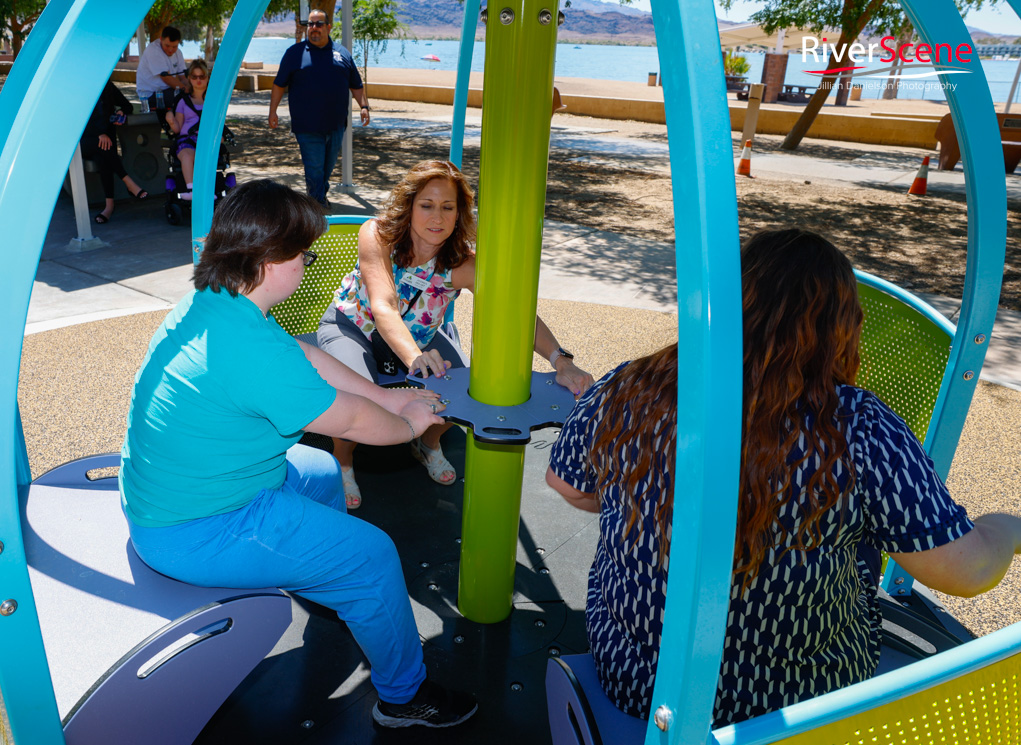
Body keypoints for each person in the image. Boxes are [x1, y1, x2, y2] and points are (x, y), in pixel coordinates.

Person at [546, 228, 1021, 726]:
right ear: (841, 328)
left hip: (636, 677)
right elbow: (967, 572)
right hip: (793, 702)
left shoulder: (634, 384)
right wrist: (1007, 528)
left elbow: (567, 482)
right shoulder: (857, 427)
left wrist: (640, 499)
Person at [119, 179, 477, 729]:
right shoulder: (248, 351)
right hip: (200, 526)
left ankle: (336, 584)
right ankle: (404, 697)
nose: (309, 263)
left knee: (318, 467)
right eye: (302, 253)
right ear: (267, 258)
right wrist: (406, 422)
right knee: (373, 554)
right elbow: (352, 421)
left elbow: (305, 355)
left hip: (183, 496)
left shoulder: (218, 304)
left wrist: (385, 394)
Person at [318, 160, 595, 508]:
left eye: (448, 208)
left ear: (460, 214)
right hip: (355, 328)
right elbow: (383, 306)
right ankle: (343, 462)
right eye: (427, 205)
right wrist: (415, 358)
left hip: (418, 337)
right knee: (355, 396)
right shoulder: (379, 234)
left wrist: (560, 360)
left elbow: (514, 315)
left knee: (466, 393)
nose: (437, 218)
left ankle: (428, 444)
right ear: (409, 205)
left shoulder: (463, 264)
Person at [268, 9, 370, 210]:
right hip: (307, 126)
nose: (314, 28)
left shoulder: (342, 54)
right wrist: (273, 111)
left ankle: (318, 198)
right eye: (310, 24)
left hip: (336, 125)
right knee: (314, 168)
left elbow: (356, 85)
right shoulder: (294, 53)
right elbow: (279, 84)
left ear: (329, 27)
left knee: (326, 168)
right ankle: (316, 207)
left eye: (319, 24)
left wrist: (364, 106)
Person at [81, 79, 149, 224]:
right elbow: (77, 119)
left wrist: (120, 111)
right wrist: (99, 133)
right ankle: (129, 183)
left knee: (104, 156)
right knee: (104, 147)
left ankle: (109, 206)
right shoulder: (80, 87)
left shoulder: (106, 85)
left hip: (104, 143)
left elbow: (127, 105)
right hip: (84, 141)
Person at [164, 59, 211, 200]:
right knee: (187, 156)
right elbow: (177, 128)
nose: (198, 80)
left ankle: (207, 189)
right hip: (187, 139)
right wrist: (171, 121)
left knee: (202, 155)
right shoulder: (183, 101)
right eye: (194, 77)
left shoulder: (213, 101)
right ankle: (192, 189)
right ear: (189, 79)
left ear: (207, 78)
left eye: (202, 76)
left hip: (206, 139)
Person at [135, 26, 189, 111]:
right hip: (151, 95)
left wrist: (194, 88)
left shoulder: (178, 53)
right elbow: (166, 78)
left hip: (169, 90)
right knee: (186, 100)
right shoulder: (153, 50)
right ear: (161, 39)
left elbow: (183, 77)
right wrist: (187, 91)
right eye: (167, 46)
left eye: (174, 46)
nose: (171, 50)